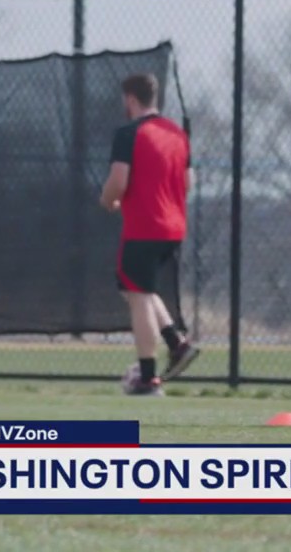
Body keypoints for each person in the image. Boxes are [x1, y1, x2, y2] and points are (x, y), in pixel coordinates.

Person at [99, 74, 199, 396]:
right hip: (173, 227)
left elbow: (119, 180)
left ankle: (148, 377)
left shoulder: (129, 133)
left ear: (130, 99)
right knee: (135, 288)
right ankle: (176, 343)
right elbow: (188, 183)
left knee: (138, 296)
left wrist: (108, 200)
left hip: (144, 226)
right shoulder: (177, 134)